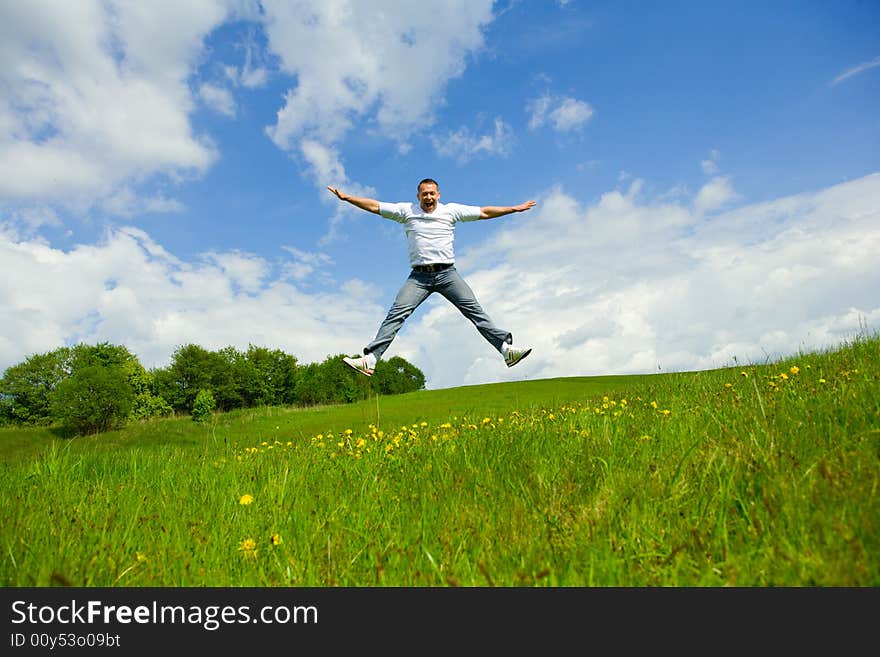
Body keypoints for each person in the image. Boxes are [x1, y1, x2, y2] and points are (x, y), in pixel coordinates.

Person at [327, 178, 536, 377]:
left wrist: (513, 209)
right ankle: (370, 359)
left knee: (475, 311)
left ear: (438, 195)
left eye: (432, 193)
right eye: (424, 194)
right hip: (419, 278)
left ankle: (506, 349)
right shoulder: (406, 211)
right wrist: (347, 198)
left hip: (447, 274)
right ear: (418, 196)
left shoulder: (451, 211)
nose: (428, 197)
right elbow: (375, 206)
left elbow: (484, 212)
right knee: (396, 313)